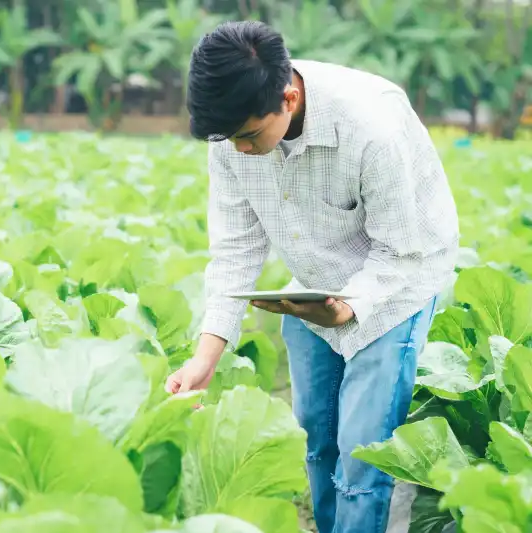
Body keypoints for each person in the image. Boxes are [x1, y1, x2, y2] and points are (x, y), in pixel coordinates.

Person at [165, 20, 459, 533]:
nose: (241, 151)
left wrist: (345, 308)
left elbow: (401, 250)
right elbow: (236, 249)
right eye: (230, 139)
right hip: (313, 287)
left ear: (290, 96)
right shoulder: (236, 129)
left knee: (364, 456)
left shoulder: (371, 127)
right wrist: (203, 359)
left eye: (250, 136)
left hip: (395, 287)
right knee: (316, 444)